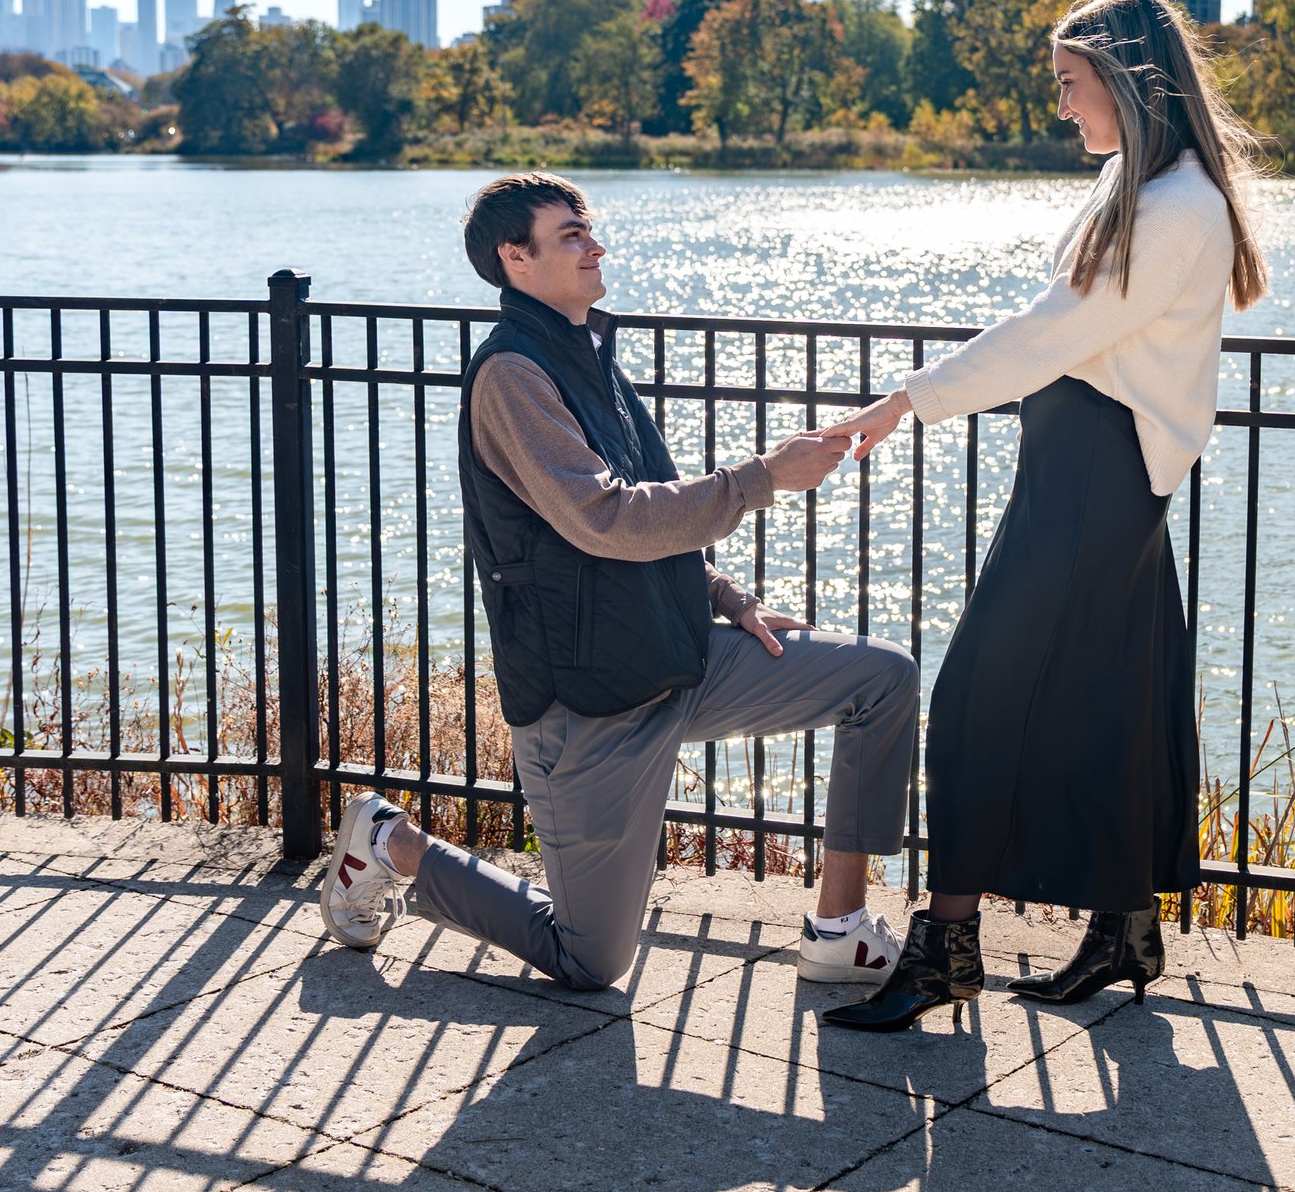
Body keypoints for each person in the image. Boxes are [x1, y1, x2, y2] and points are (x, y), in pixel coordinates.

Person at [316, 173, 922, 993]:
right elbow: (604, 518)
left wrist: (725, 596)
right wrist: (763, 476)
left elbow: (647, 518)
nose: (594, 244)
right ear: (514, 258)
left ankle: (839, 931)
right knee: (590, 961)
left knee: (881, 677)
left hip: (678, 655)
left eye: (588, 227)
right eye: (570, 235)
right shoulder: (512, 377)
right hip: (590, 699)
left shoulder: (592, 356)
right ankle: (391, 844)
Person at [815, 0, 1269, 1032]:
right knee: (1116, 697)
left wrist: (904, 401)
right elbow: (1060, 334)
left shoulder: (1176, 207)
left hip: (1094, 477)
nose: (1063, 106)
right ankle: (1123, 926)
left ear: (1124, 80)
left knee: (977, 698)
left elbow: (1044, 335)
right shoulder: (1141, 184)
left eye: (1072, 84)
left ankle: (945, 953)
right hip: (1090, 468)